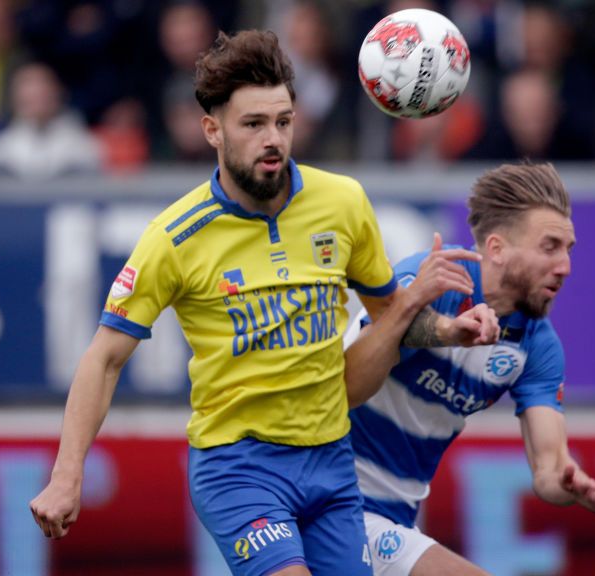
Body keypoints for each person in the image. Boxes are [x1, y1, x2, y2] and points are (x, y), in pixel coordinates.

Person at [29, 30, 497, 576]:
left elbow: (389, 314)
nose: (272, 138)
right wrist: (67, 474)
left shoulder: (342, 203)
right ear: (213, 130)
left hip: (331, 465)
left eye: (283, 121)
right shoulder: (175, 237)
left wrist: (445, 331)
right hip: (239, 468)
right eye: (253, 124)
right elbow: (104, 357)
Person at [343, 162, 595, 576]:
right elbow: (370, 352)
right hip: (334, 492)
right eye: (549, 247)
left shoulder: (538, 347)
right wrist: (446, 331)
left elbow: (547, 466)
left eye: (568, 249)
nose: (565, 266)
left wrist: (565, 482)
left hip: (395, 516)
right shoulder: (433, 278)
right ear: (496, 248)